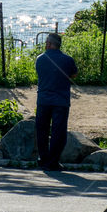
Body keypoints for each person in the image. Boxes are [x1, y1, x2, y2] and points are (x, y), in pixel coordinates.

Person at [35, 32, 78, 171]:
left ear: (49, 43)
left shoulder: (40, 59)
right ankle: (53, 161)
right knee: (58, 132)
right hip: (61, 100)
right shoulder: (68, 60)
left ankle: (43, 157)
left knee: (42, 130)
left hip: (43, 99)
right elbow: (74, 74)